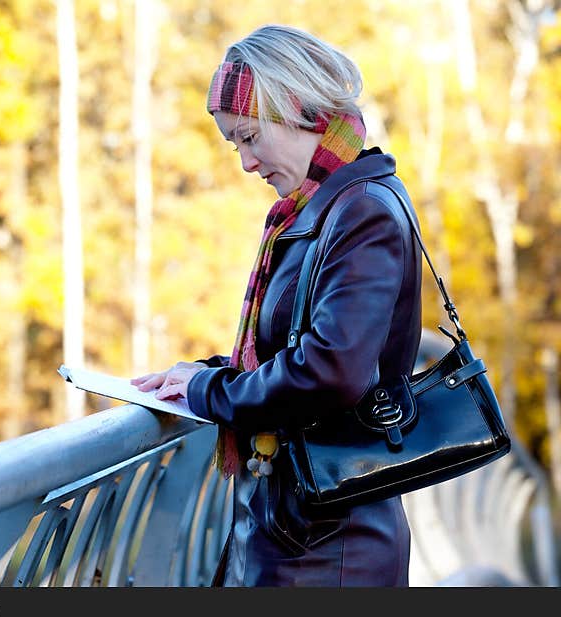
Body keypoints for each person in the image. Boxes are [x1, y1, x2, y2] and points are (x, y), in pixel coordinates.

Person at [131, 24, 421, 586]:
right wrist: (207, 374)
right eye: (234, 143)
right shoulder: (324, 208)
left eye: (249, 136)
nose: (244, 162)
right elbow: (296, 349)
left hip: (328, 549)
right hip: (301, 533)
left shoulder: (361, 211)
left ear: (297, 109)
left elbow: (332, 371)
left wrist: (208, 393)